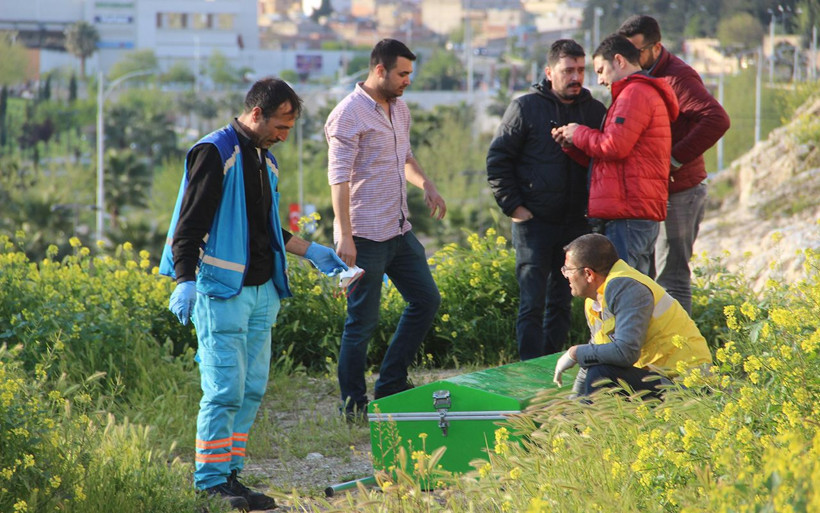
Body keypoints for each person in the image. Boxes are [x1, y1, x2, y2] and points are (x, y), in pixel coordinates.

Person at [159, 78, 347, 511]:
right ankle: (208, 482)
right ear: (258, 114)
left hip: (263, 291)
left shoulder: (266, 162)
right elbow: (190, 225)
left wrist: (309, 251)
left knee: (251, 389)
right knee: (224, 389)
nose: (284, 136)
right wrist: (185, 280)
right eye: (281, 126)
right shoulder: (215, 153)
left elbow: (263, 228)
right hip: (222, 291)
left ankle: (231, 476)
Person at [325, 39, 446, 419]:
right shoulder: (347, 115)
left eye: (409, 73)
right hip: (362, 235)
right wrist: (344, 235)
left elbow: (405, 157)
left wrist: (425, 183)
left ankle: (391, 383)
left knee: (426, 300)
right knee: (361, 322)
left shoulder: (400, 108)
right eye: (402, 74)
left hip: (398, 229)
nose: (407, 81)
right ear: (380, 70)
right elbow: (338, 178)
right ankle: (354, 406)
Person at [486, 39, 606, 360]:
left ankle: (554, 367)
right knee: (532, 303)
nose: (576, 76)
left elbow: (604, 162)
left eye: (581, 70)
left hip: (576, 224)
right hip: (533, 224)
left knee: (563, 301)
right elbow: (498, 160)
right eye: (568, 70)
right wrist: (514, 207)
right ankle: (529, 370)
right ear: (549, 72)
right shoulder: (525, 108)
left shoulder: (594, 111)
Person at [617, 15, 731, 314]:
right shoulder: (639, 76)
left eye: (636, 51)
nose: (630, 58)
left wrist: (673, 159)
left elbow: (717, 119)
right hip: (653, 191)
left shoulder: (677, 77)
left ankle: (681, 357)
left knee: (672, 278)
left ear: (656, 48)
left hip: (679, 191)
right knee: (649, 277)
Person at [552, 34, 679, 276]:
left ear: (619, 61)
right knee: (637, 290)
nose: (599, 80)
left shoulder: (634, 94)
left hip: (628, 213)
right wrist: (571, 144)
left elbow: (614, 146)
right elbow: (611, 159)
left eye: (600, 70)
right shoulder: (636, 93)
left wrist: (578, 133)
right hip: (633, 210)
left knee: (623, 289)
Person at [552, 233, 712, 397]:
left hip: (689, 384)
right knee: (598, 370)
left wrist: (574, 353)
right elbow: (595, 355)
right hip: (660, 379)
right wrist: (573, 406)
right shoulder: (594, 300)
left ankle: (585, 421)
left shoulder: (627, 288)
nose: (565, 275)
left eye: (568, 269)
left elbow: (626, 352)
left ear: (588, 274)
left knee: (602, 374)